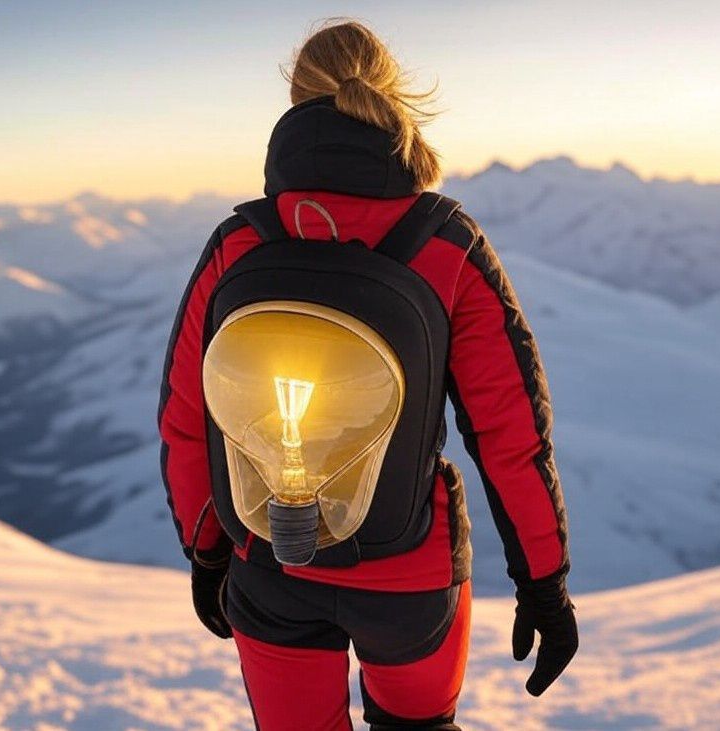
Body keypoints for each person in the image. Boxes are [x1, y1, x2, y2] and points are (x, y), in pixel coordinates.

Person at [159, 20, 577, 731]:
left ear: (294, 106)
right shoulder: (446, 245)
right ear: (391, 98)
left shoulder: (239, 245)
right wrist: (543, 583)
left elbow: (189, 415)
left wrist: (207, 550)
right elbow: (510, 432)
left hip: (270, 567)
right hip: (409, 574)